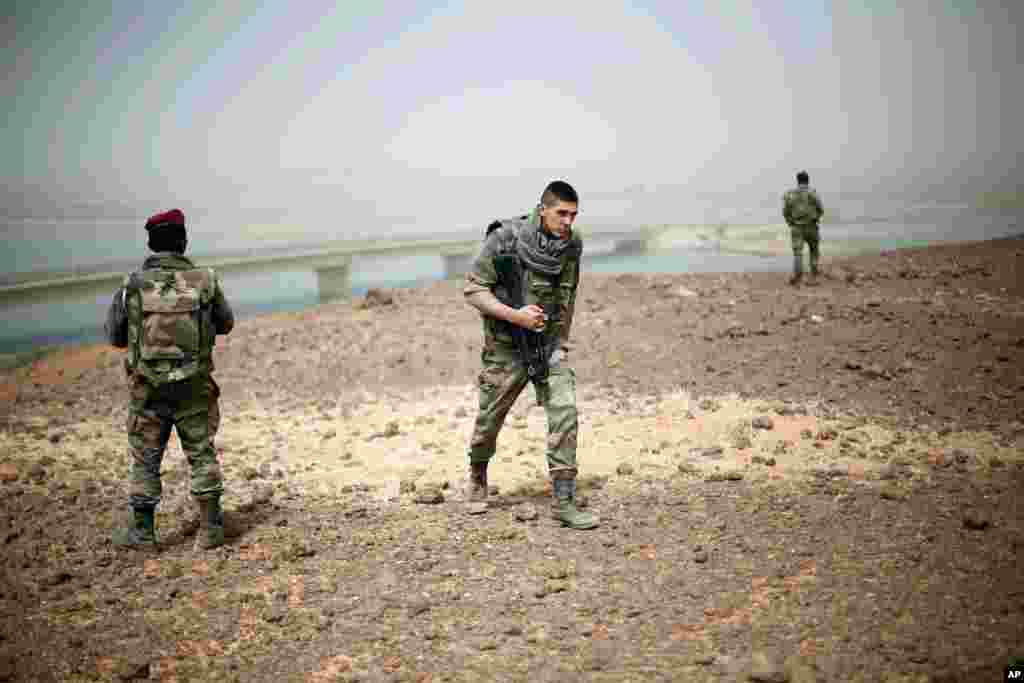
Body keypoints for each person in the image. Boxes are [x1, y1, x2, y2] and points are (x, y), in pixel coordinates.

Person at [463, 180, 597, 530]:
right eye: (561, 213)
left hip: (546, 344)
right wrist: (516, 315)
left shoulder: (571, 245)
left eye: (573, 215)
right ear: (542, 210)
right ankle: (478, 475)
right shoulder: (504, 239)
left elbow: (568, 294)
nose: (568, 221)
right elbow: (473, 289)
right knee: (489, 420)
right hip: (506, 347)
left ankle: (564, 499)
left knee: (565, 408)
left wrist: (561, 342)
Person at [104, 208, 234, 550]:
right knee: (201, 452)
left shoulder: (131, 285)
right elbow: (226, 323)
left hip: (147, 389)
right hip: (194, 386)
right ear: (183, 241)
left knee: (145, 458)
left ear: (150, 243)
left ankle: (143, 533)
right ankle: (209, 530)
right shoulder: (206, 281)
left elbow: (116, 336)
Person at [782, 170, 825, 285]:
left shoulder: (790, 195)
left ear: (797, 181)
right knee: (814, 251)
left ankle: (798, 277)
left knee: (798, 253)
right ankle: (814, 276)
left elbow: (785, 212)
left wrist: (791, 223)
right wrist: (815, 218)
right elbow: (821, 209)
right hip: (812, 226)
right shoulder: (812, 193)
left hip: (797, 227)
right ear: (808, 180)